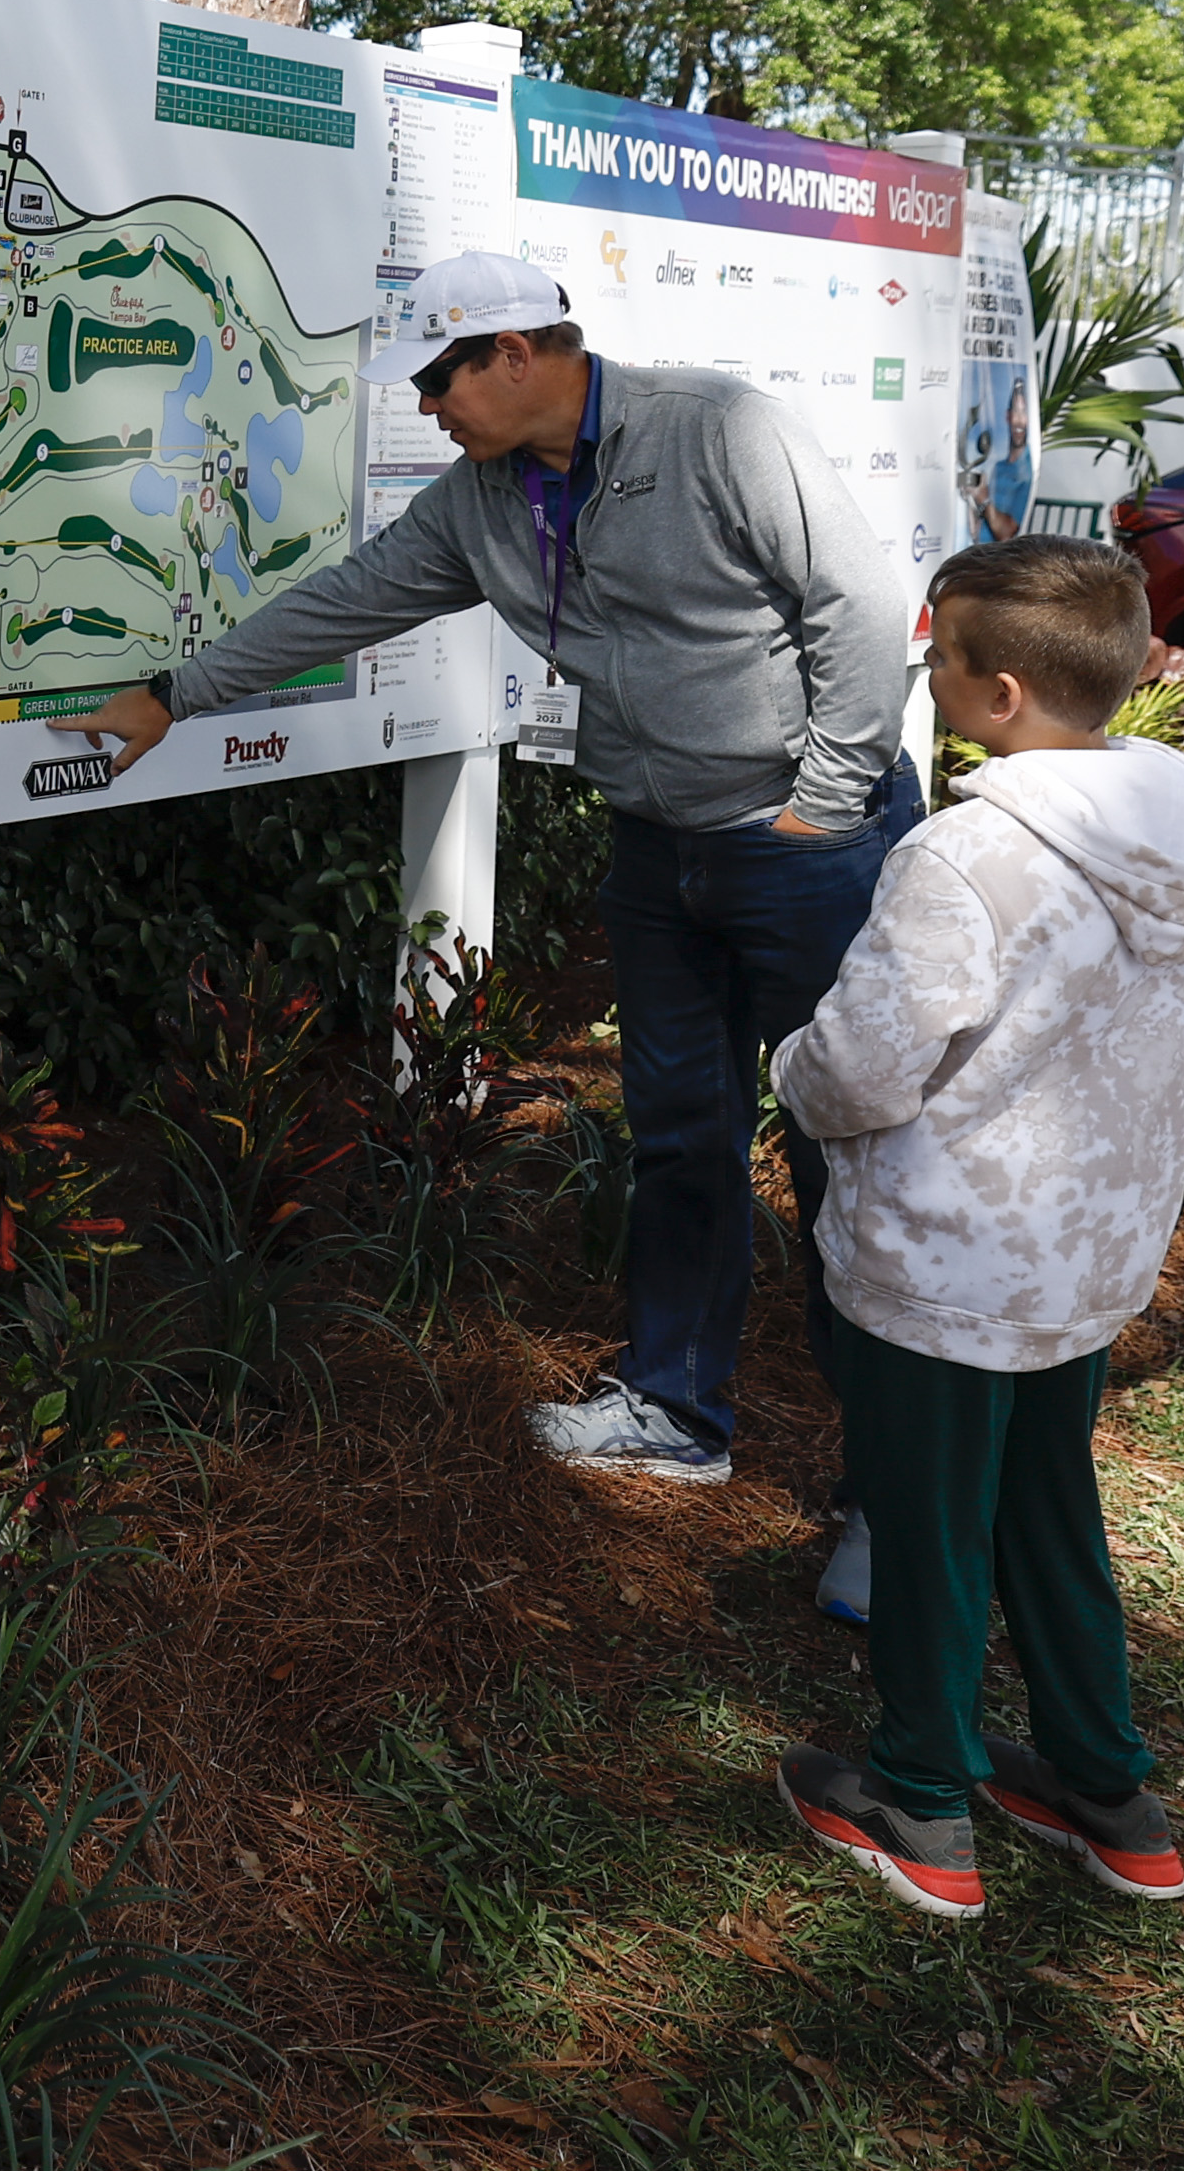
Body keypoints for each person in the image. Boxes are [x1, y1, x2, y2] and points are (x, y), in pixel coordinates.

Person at [80, 246, 915, 1506]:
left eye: (438, 379)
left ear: (514, 353)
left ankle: (887, 1488)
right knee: (682, 1137)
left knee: (840, 1147)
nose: (428, 407)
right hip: (657, 850)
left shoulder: (715, 430)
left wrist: (827, 806)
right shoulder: (480, 499)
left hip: (801, 846)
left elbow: (855, 605)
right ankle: (677, 1405)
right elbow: (351, 599)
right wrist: (175, 693)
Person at [761, 534, 1184, 1921]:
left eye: (942, 660)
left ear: (1000, 692)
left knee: (928, 1525)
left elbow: (863, 1064)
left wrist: (788, 1070)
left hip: (946, 1258)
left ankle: (920, 1798)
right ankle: (1109, 1793)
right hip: (1084, 1253)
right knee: (1046, 1507)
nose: (928, 680)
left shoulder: (964, 853)